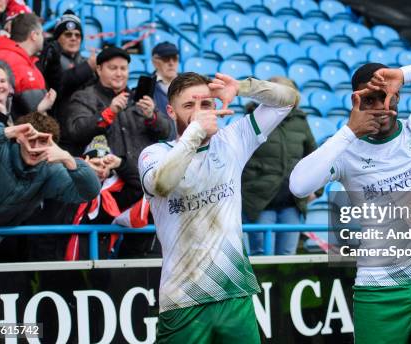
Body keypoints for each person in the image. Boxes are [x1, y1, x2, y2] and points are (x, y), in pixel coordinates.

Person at [290, 54, 411, 343]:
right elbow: (299, 185)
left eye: (385, 96)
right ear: (356, 101)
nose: (380, 107)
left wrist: (403, 74)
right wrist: (348, 132)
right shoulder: (346, 150)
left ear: (397, 97)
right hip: (379, 291)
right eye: (369, 99)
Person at [139, 72, 298, 343]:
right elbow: (162, 183)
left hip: (234, 291)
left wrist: (244, 87)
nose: (200, 112)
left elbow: (288, 100)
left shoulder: (232, 140)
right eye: (189, 106)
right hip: (184, 298)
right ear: (170, 110)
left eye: (206, 105)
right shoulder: (155, 153)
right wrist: (195, 132)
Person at [65, 46, 171, 257]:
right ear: (99, 69)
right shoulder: (83, 97)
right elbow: (75, 131)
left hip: (138, 187)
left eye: (123, 68)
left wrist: (152, 116)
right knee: (96, 255)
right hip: (103, 192)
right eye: (113, 68)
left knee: (144, 253)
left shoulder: (137, 99)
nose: (119, 73)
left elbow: (168, 131)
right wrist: (109, 112)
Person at [0, 112, 101, 264]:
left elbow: (89, 192)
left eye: (43, 141)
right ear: (19, 138)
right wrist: (8, 131)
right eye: (31, 139)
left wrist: (69, 159)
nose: (36, 148)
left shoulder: (51, 170)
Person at [242, 76, 319, 255]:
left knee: (287, 256)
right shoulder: (252, 119)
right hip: (259, 203)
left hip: (292, 204)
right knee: (261, 254)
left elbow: (315, 157)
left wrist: (316, 190)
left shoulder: (300, 121)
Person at [0, 12, 55, 117]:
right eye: (41, 33)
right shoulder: (12, 60)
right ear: (34, 35)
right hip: (17, 129)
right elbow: (32, 109)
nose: (43, 38)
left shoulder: (22, 59)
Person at [38, 10, 96, 126]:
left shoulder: (86, 61)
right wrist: (88, 68)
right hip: (60, 124)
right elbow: (59, 85)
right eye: (68, 34)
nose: (73, 38)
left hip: (85, 121)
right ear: (57, 38)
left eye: (77, 35)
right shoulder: (49, 60)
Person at [151, 41, 179, 141]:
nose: (171, 63)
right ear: (155, 62)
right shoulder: (148, 87)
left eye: (174, 58)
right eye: (166, 59)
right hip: (160, 145)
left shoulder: (188, 85)